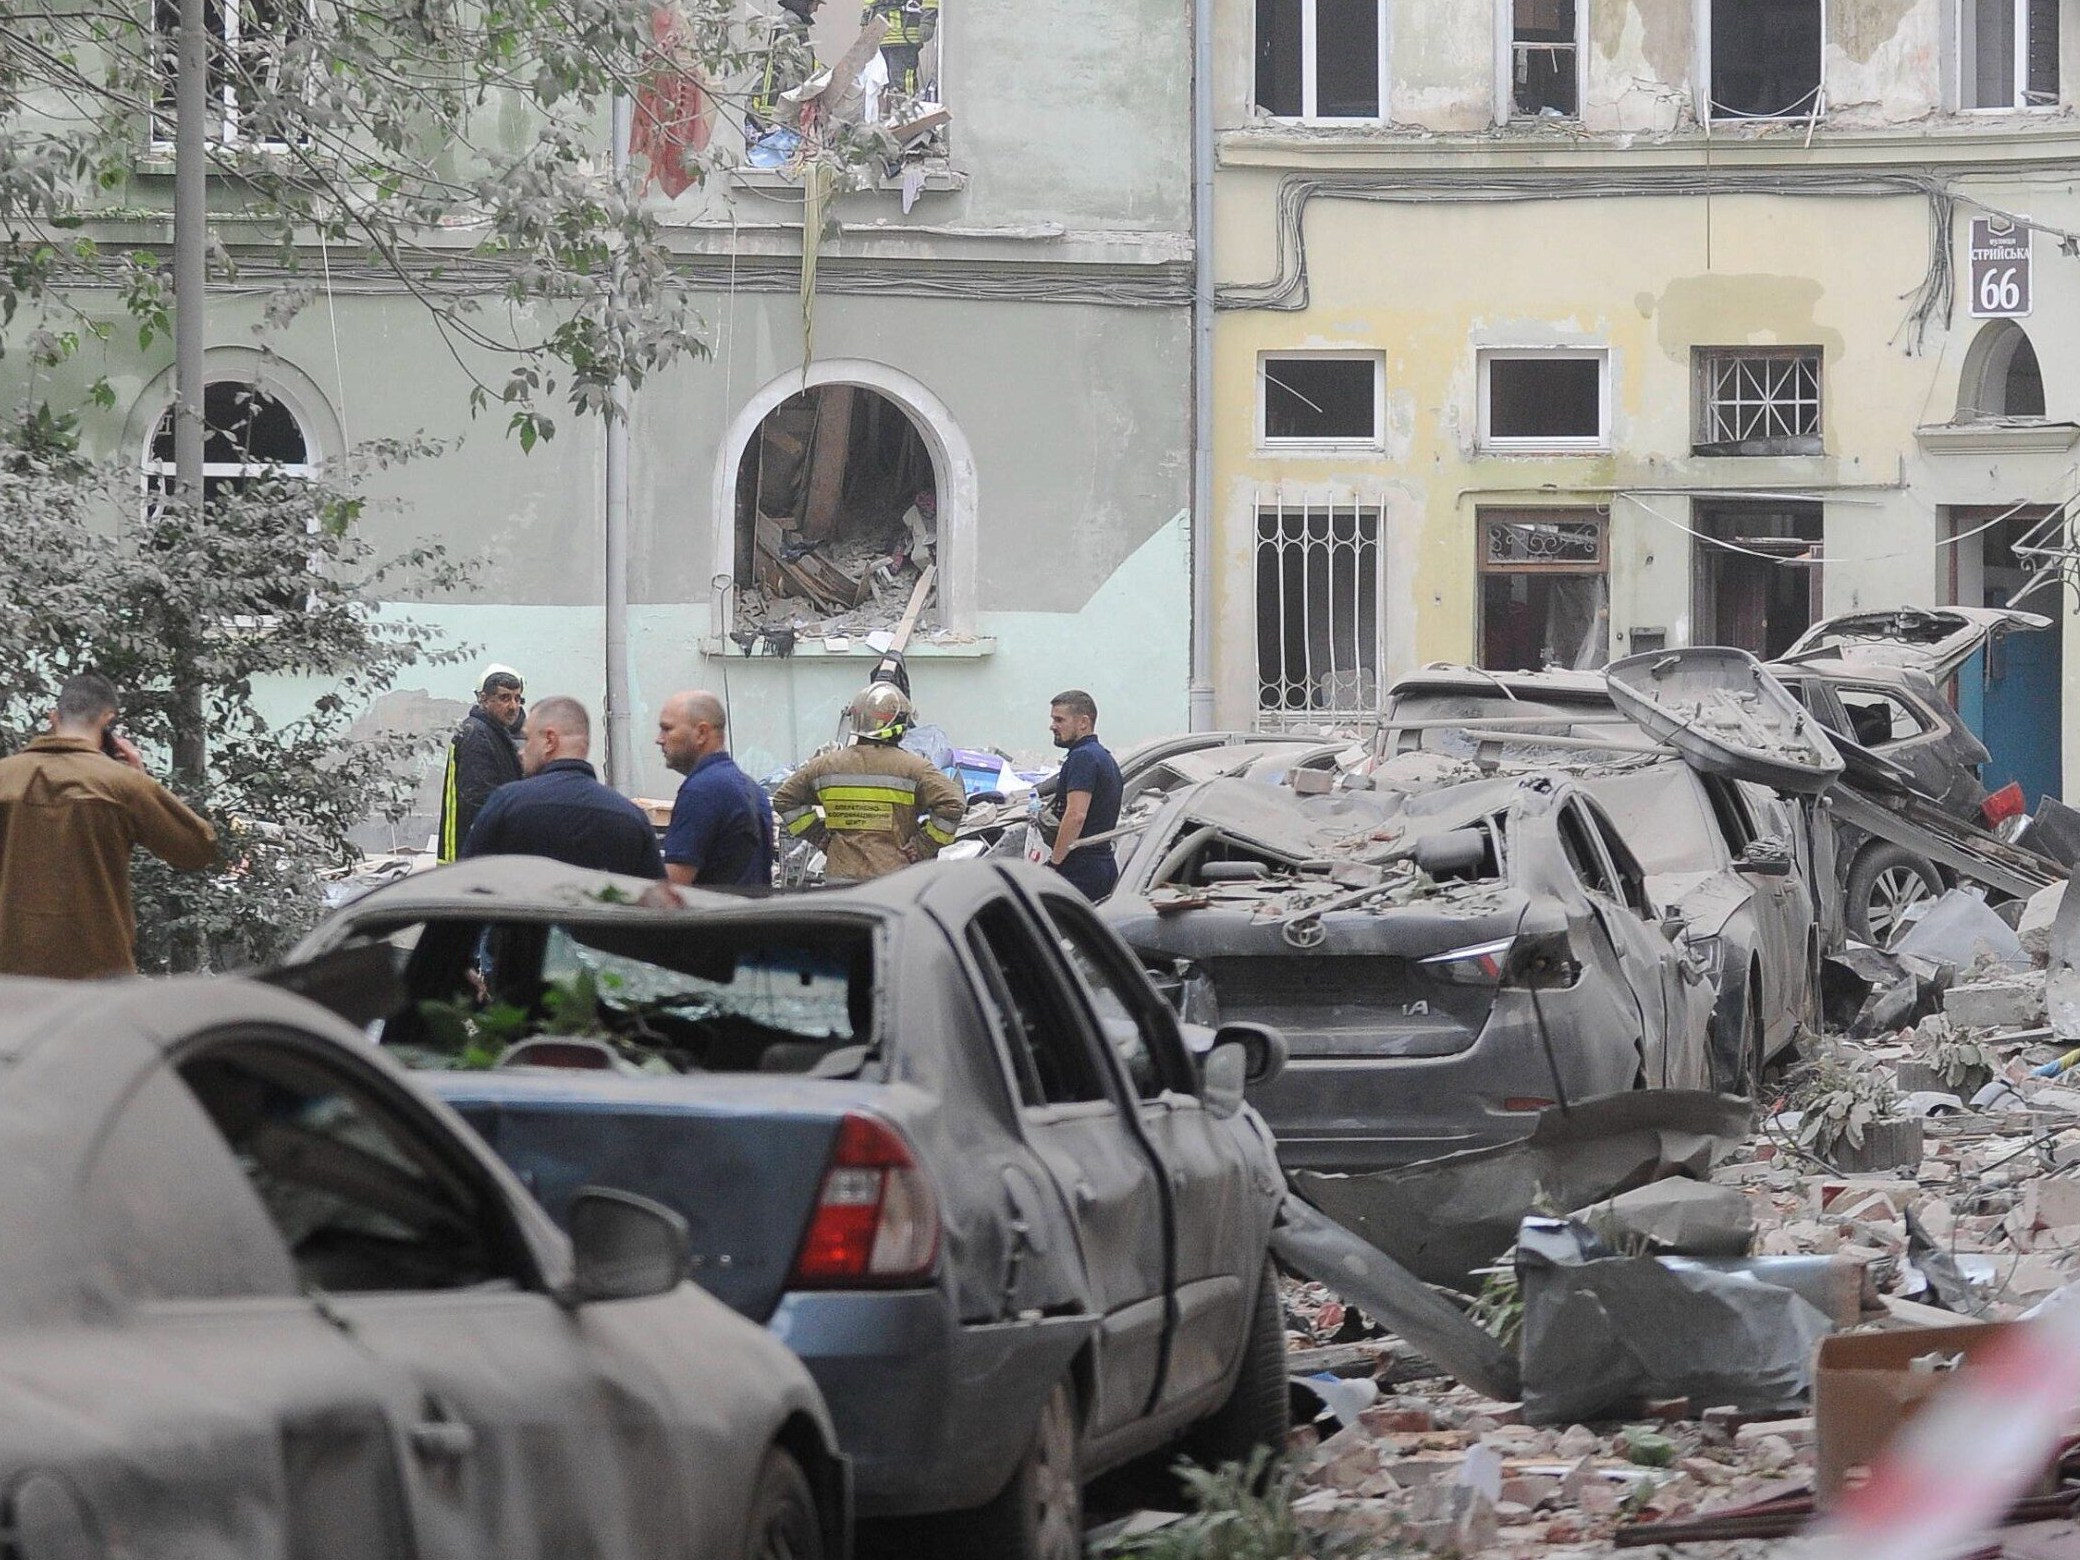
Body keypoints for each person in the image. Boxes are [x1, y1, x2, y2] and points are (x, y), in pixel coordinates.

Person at [0, 673, 217, 979]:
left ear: (53, 717)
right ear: (108, 720)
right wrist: (141, 778)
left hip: (11, 978)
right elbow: (198, 847)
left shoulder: (5, 777)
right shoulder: (122, 785)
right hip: (98, 975)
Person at [773, 683, 965, 884]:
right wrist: (923, 845)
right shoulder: (915, 769)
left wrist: (819, 836)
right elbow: (954, 804)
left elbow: (785, 799)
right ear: (899, 725)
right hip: (893, 879)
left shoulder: (824, 766)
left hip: (840, 879)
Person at [459, 697, 664, 878]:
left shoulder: (507, 803)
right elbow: (658, 906)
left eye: (528, 739)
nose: (521, 752)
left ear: (549, 740)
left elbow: (465, 883)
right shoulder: (630, 817)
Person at [657, 690, 775, 887]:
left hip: (713, 916)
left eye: (667, 729)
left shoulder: (702, 791)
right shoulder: (753, 789)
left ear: (701, 733)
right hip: (751, 915)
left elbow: (671, 889)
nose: (659, 739)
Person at [438, 665, 525, 862]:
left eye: (517, 698)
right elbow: (480, 803)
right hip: (471, 857)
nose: (513, 706)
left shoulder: (495, 733)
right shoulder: (477, 735)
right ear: (484, 699)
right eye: (505, 698)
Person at [1045, 689, 1122, 902]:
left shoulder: (1084, 757)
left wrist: (1054, 864)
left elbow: (1076, 815)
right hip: (1100, 866)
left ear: (1083, 722)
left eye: (1059, 720)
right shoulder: (1102, 756)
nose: (1052, 726)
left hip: (1080, 870)